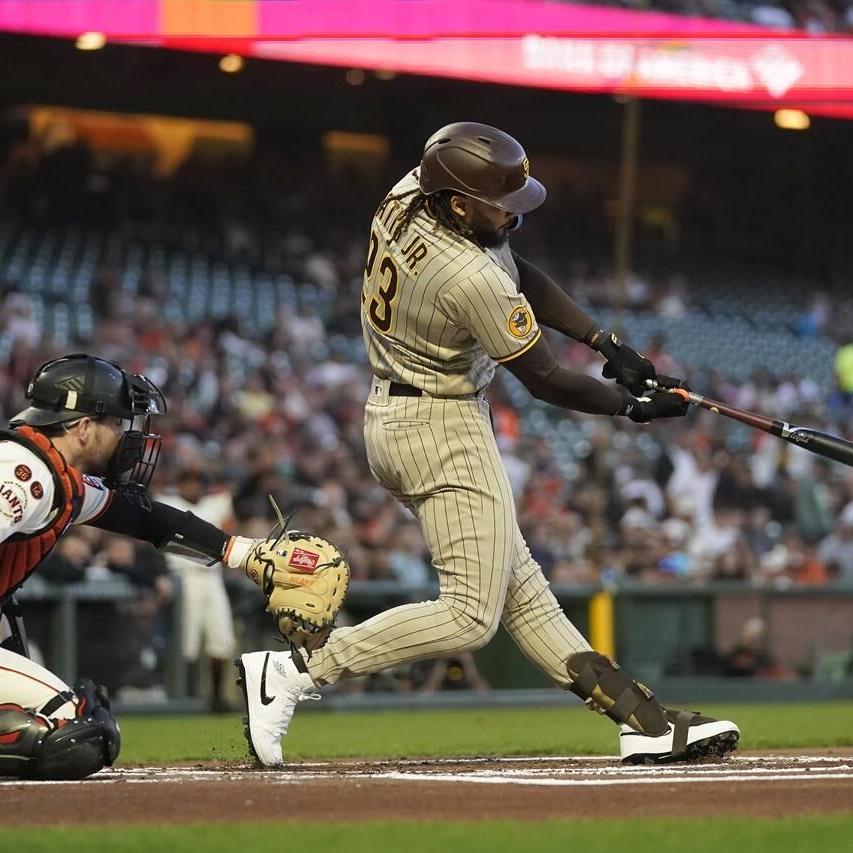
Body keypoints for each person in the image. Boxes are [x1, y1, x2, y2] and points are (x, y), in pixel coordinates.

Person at [237, 122, 739, 767]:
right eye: (500, 202)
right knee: (472, 616)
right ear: (457, 203)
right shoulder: (465, 273)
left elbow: (518, 268)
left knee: (518, 585)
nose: (512, 211)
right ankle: (299, 669)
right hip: (438, 425)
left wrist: (604, 343)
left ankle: (638, 718)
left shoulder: (412, 191)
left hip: (405, 413)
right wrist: (631, 404)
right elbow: (545, 379)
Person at [0, 353, 285, 779]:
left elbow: (141, 516)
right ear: (81, 428)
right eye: (116, 422)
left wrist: (242, 553)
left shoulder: (58, 476)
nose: (123, 434)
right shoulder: (23, 474)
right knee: (75, 731)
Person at [158, 469, 237, 711]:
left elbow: (231, 499)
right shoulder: (168, 503)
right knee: (187, 641)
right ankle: (186, 696)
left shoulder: (214, 505)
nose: (192, 488)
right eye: (188, 482)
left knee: (221, 638)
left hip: (211, 576)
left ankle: (216, 697)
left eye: (197, 483)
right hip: (184, 577)